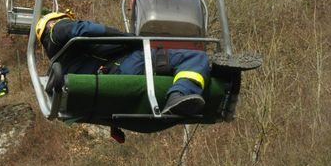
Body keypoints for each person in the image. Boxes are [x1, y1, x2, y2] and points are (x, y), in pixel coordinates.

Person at [35, 12, 211, 116]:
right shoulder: (57, 29)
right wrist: (129, 38)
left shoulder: (62, 62)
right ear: (52, 22)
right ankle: (179, 94)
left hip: (109, 80)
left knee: (172, 64)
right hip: (125, 65)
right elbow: (84, 29)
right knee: (195, 57)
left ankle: (181, 91)